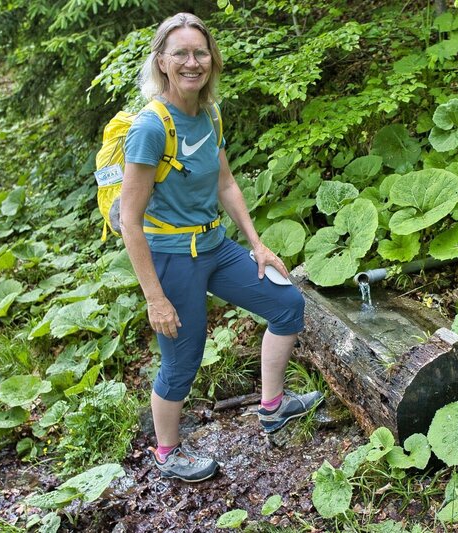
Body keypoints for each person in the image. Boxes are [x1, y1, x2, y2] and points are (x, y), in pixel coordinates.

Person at [120, 12, 323, 483]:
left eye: (200, 52)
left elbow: (226, 183)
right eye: (181, 54)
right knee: (182, 359)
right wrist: (155, 297)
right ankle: (167, 453)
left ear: (211, 58)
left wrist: (257, 244)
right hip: (172, 259)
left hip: (215, 246)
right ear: (162, 61)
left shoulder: (209, 113)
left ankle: (272, 408)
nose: (193, 62)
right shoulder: (152, 128)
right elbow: (129, 220)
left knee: (287, 302)